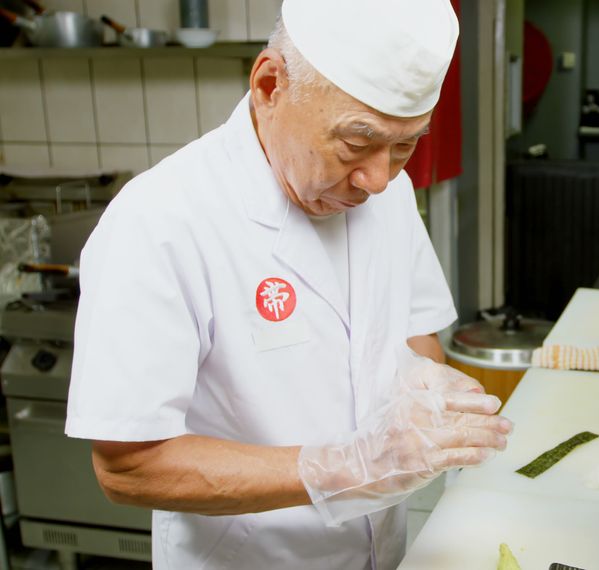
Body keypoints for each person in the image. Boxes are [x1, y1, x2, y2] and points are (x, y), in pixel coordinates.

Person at [64, 0, 513, 568]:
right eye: (356, 141)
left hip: (385, 552)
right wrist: (345, 467)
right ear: (270, 84)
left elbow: (414, 332)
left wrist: (425, 388)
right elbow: (127, 467)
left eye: (406, 146)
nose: (377, 179)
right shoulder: (160, 221)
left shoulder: (388, 192)